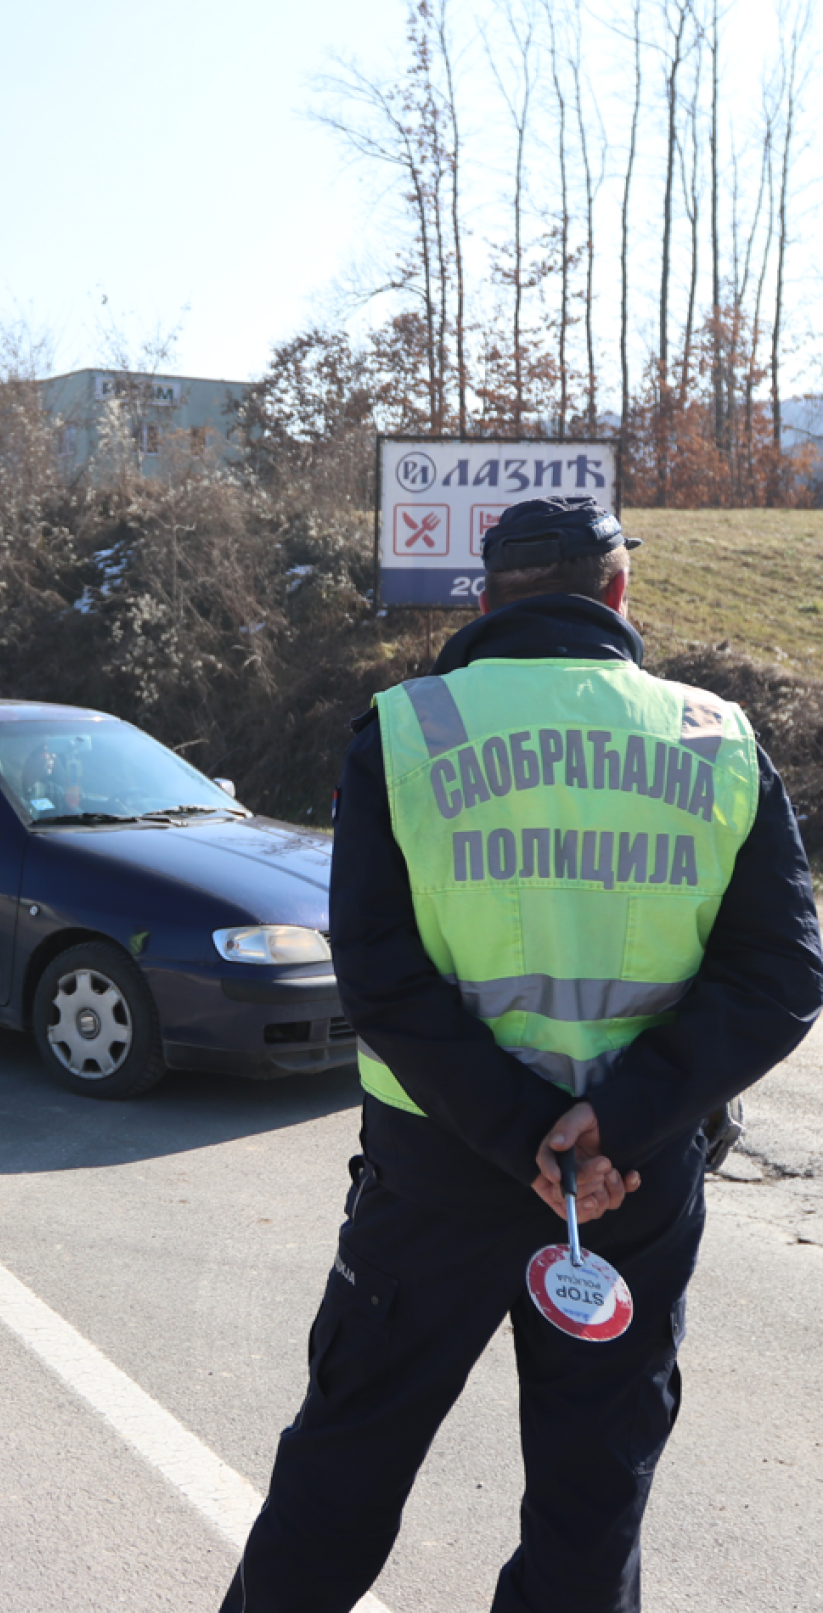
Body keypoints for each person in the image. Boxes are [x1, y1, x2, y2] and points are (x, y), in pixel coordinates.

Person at [221, 496, 823, 1612]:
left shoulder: (406, 729)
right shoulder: (713, 737)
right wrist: (612, 1120)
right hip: (628, 1182)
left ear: (483, 598)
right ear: (617, 591)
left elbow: (379, 971)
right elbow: (779, 976)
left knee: (342, 1463)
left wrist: (516, 1131)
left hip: (440, 1172)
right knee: (588, 1504)